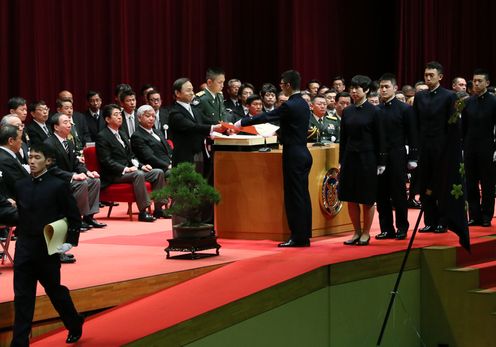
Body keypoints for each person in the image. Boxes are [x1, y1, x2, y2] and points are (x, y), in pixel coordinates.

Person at [11, 143, 84, 346]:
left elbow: (73, 216)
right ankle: (19, 342)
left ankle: (74, 322)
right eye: (30, 157)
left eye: (37, 157)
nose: (32, 161)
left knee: (54, 291)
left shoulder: (58, 185)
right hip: (24, 247)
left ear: (48, 161)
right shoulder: (20, 185)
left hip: (47, 248)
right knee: (23, 297)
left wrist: (70, 241)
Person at [234, 70, 313, 248]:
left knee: (294, 196)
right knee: (302, 195)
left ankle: (298, 237)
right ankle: (304, 233)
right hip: (303, 152)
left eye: (282, 84)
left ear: (289, 85)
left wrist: (242, 123)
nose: (280, 87)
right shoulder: (302, 103)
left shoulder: (290, 104)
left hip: (293, 154)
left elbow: (267, 116)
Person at [96, 104, 166, 221]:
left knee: (157, 172)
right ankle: (143, 212)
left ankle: (159, 209)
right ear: (107, 119)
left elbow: (131, 156)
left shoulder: (122, 133)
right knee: (137, 174)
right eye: (115, 115)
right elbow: (106, 161)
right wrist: (125, 169)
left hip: (130, 171)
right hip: (114, 174)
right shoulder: (102, 136)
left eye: (120, 114)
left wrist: (141, 166)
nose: (119, 117)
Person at [339, 75, 386, 246]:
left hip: (368, 158)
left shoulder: (375, 111)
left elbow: (381, 138)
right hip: (350, 158)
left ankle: (366, 232)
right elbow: (343, 138)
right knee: (350, 197)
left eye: (357, 88)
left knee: (366, 198)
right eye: (351, 88)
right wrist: (341, 160)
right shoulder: (347, 111)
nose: (353, 91)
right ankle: (356, 232)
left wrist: (381, 162)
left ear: (366, 90)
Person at [414, 61, 457, 233]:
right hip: (424, 147)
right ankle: (429, 220)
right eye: (426, 75)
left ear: (440, 77)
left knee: (441, 185)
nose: (428, 78)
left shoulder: (449, 96)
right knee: (425, 185)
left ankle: (442, 220)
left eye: (431, 75)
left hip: (442, 148)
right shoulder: (420, 96)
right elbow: (416, 122)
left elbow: (452, 125)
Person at [45, 113, 106, 231]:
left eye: (69, 122)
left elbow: (76, 164)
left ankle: (88, 217)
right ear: (56, 127)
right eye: (65, 122)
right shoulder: (49, 144)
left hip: (69, 178)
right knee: (81, 183)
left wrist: (88, 172)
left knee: (94, 180)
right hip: (56, 180)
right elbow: (51, 169)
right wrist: (73, 176)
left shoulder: (69, 141)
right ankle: (76, 219)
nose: (70, 125)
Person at [375, 73, 418, 241]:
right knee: (381, 194)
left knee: (399, 194)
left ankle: (402, 227)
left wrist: (413, 156)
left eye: (387, 87)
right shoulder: (376, 109)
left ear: (394, 88)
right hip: (379, 156)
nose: (383, 89)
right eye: (381, 87)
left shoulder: (405, 109)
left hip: (397, 154)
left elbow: (413, 134)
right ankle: (386, 228)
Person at [461, 69, 496, 227]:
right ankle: (474, 215)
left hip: (488, 148)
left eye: (479, 81)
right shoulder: (468, 102)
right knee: (471, 183)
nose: (475, 83)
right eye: (474, 81)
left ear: (487, 83)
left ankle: (487, 215)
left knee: (487, 183)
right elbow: (463, 128)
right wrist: (462, 147)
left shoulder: (494, 101)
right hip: (470, 148)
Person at [168, 78, 224, 175]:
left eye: (192, 90)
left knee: (200, 185)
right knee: (185, 187)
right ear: (177, 93)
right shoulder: (175, 113)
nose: (192, 93)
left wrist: (225, 125)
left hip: (199, 153)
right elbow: (193, 127)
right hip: (183, 158)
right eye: (188, 90)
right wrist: (214, 128)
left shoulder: (195, 110)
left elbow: (209, 121)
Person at [131, 104, 173, 177]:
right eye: (148, 116)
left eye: (153, 116)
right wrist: (167, 166)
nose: (151, 118)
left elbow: (168, 149)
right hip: (156, 168)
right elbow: (149, 157)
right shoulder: (137, 136)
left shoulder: (158, 132)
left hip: (169, 164)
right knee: (176, 173)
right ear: (139, 118)